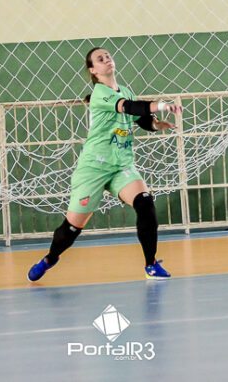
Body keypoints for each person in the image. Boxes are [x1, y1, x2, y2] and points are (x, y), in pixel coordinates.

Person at [27, 47, 182, 282]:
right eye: (100, 59)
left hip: (121, 166)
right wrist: (161, 105)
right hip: (94, 168)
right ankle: (50, 258)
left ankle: (150, 265)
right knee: (72, 228)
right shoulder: (100, 93)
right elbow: (128, 107)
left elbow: (138, 117)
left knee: (145, 203)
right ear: (93, 70)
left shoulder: (125, 90)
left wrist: (155, 125)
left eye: (108, 56)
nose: (107, 59)